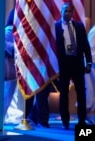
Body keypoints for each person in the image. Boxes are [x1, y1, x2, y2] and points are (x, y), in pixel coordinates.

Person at [55, 2, 92, 130]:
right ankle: (65, 121)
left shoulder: (79, 26)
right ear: (61, 12)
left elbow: (86, 46)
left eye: (70, 11)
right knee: (64, 94)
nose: (68, 13)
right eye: (65, 11)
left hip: (77, 64)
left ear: (73, 13)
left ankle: (82, 121)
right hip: (64, 65)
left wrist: (88, 62)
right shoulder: (56, 27)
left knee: (81, 93)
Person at [85, 25, 95, 124]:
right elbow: (90, 51)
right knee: (90, 92)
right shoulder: (94, 32)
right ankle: (85, 114)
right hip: (92, 67)